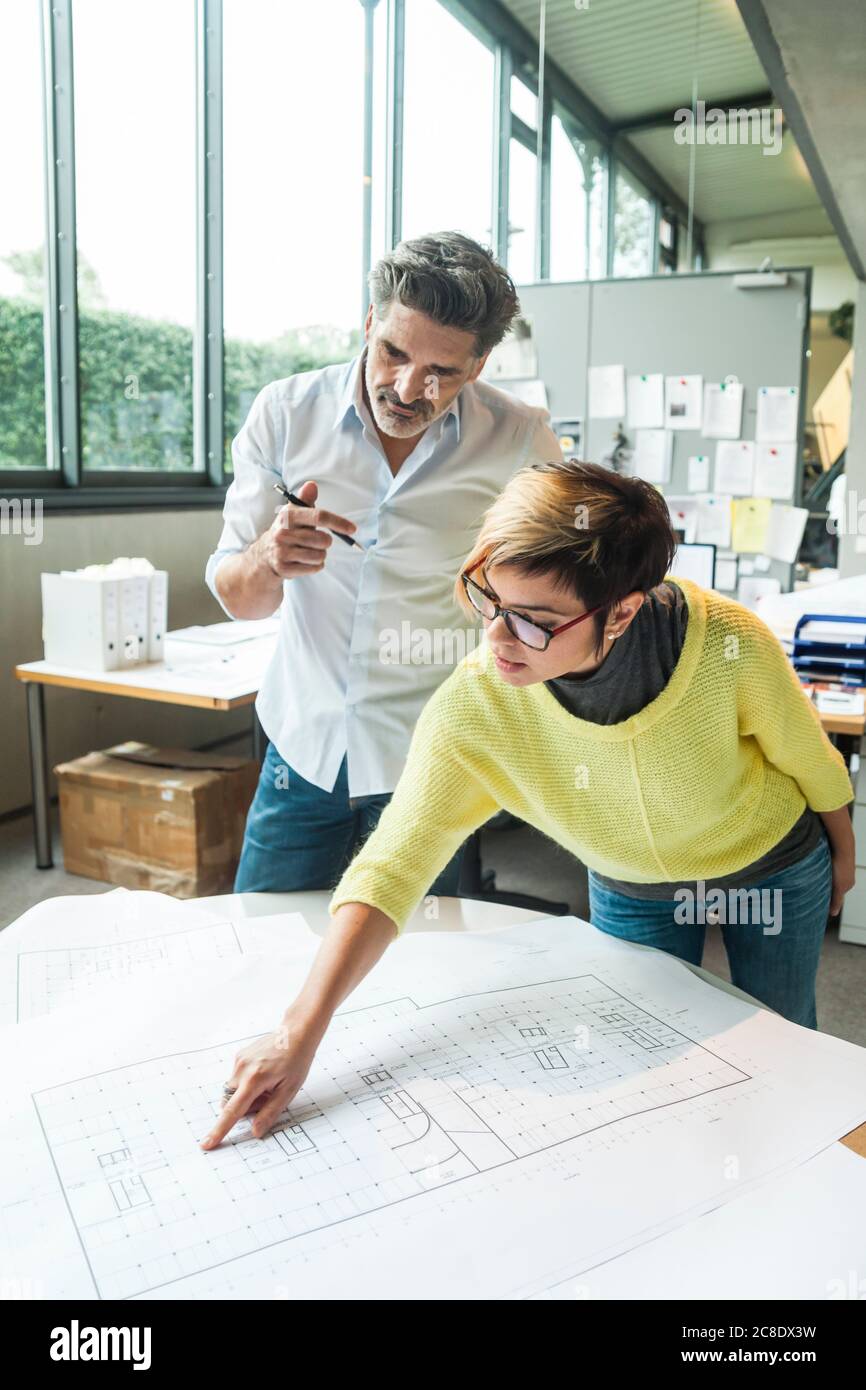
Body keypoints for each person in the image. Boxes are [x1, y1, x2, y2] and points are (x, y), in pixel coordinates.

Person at [201, 460, 855, 1150]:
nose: (499, 638)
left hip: (772, 867)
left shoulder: (727, 642)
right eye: (491, 600)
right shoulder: (480, 703)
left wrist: (844, 850)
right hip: (634, 886)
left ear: (623, 609)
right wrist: (296, 1035)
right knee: (653, 1063)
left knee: (782, 1044)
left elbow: (805, 754)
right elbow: (392, 865)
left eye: (536, 621)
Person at [205, 231, 559, 896]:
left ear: (478, 367)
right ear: (370, 324)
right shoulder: (284, 415)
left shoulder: (518, 439)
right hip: (302, 747)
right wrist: (267, 558)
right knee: (264, 945)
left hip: (429, 761)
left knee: (420, 974)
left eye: (442, 373)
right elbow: (238, 597)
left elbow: (563, 585)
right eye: (393, 352)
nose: (407, 386)